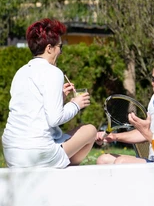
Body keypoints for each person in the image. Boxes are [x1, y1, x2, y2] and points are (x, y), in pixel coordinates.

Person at [2, 19, 97, 168]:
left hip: (12, 152)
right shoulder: (53, 72)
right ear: (49, 48)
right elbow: (54, 119)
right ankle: (64, 172)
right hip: (37, 152)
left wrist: (61, 98)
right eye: (60, 46)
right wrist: (75, 104)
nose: (60, 51)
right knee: (90, 131)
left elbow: (32, 109)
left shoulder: (21, 72)